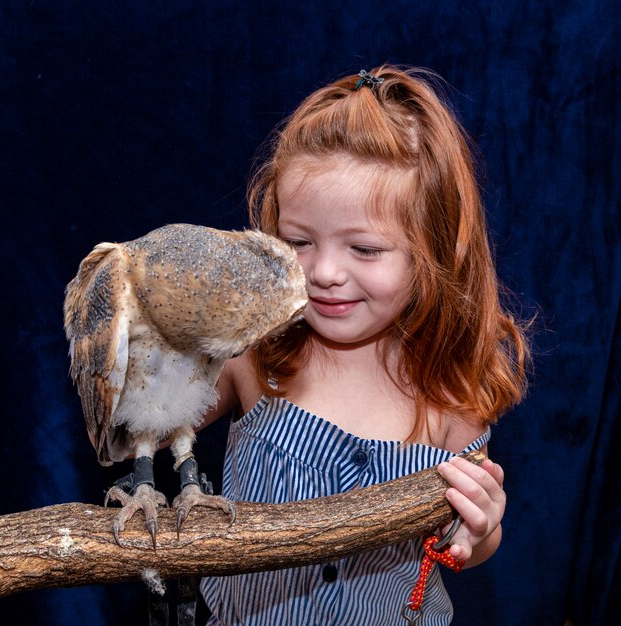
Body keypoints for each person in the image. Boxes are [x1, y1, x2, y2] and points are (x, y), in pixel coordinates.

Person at [197, 65, 529, 625]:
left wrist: (481, 526)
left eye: (366, 249)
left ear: (433, 252)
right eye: (299, 241)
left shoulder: (452, 395)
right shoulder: (251, 356)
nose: (324, 271)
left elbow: (465, 550)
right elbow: (136, 430)